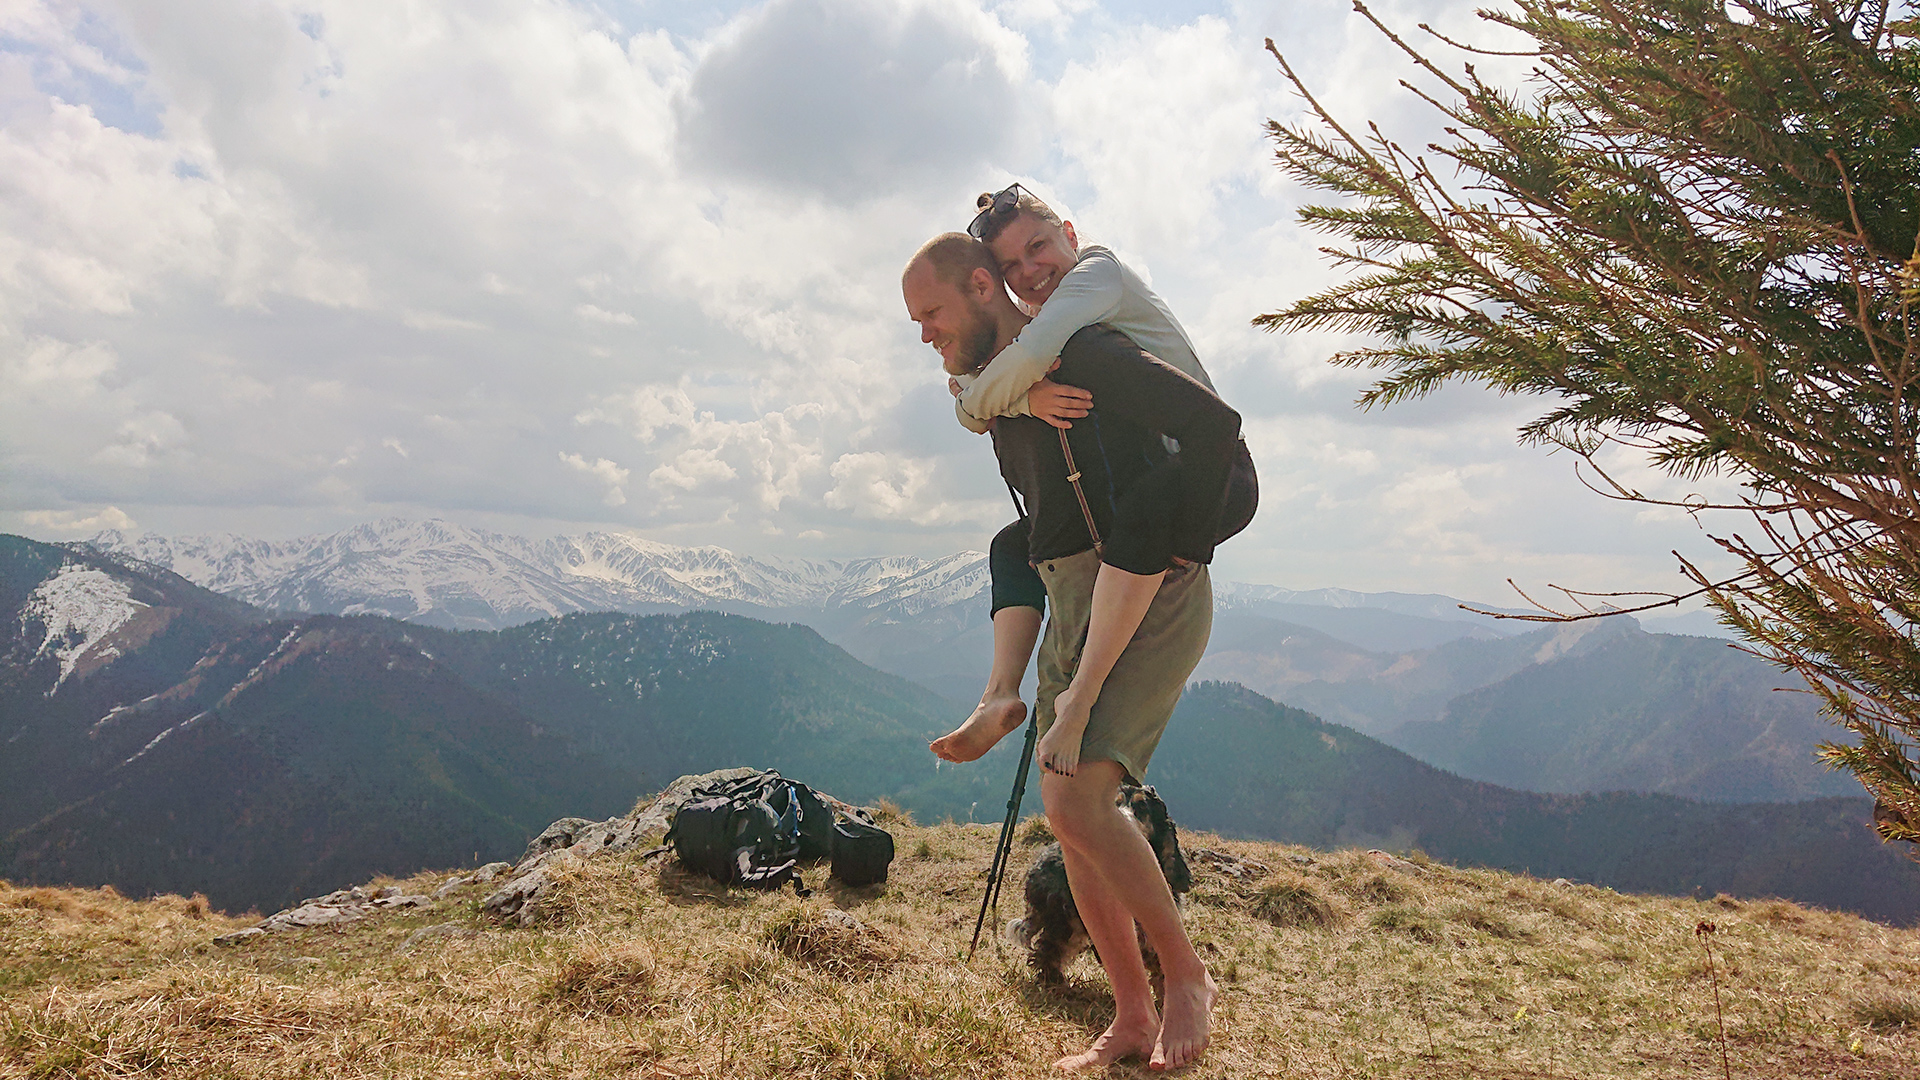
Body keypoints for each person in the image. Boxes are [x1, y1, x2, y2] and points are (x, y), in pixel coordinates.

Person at [904, 232, 1234, 1071]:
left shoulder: (1089, 350)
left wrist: (1195, 530)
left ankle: (1185, 977)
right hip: (1070, 596)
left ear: (983, 286)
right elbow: (982, 418)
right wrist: (1006, 398)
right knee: (1066, 815)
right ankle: (1130, 1014)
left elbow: (1209, 426)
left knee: (1083, 804)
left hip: (1143, 590)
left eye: (932, 314)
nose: (924, 335)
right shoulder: (990, 385)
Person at [930, 184, 1253, 781]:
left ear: (1070, 235)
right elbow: (988, 382)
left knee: (1146, 507)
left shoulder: (1097, 276)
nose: (1029, 271)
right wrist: (1015, 397)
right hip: (1178, 463)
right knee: (1012, 544)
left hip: (1217, 469)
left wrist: (1191, 542)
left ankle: (1080, 700)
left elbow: (1013, 371)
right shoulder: (1047, 313)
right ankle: (999, 693)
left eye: (1039, 246)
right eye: (1011, 267)